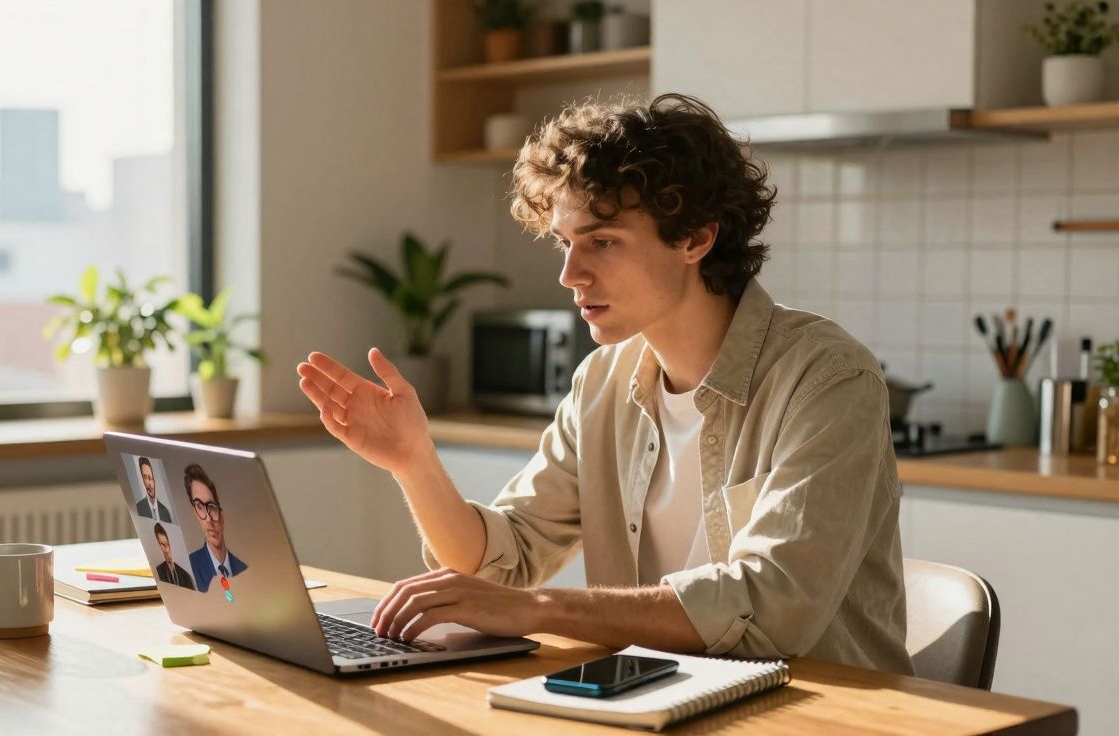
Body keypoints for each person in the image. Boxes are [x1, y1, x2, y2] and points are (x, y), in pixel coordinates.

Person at [296, 93, 914, 675]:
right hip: (660, 698)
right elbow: (504, 560)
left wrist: (542, 611)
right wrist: (415, 462)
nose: (570, 273)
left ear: (697, 238)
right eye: (565, 243)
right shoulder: (604, 381)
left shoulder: (827, 378)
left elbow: (774, 607)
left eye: (603, 242)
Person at [184, 463, 248, 592]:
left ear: (222, 516)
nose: (208, 519)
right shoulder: (188, 569)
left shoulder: (244, 570)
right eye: (200, 506)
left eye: (212, 507)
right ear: (195, 512)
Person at [152, 523, 195, 590]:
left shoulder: (186, 576)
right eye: (162, 545)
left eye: (168, 544)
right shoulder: (157, 573)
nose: (167, 550)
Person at [134, 456, 173, 523]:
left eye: (150, 477)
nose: (149, 483)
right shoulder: (138, 508)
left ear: (154, 480)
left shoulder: (165, 512)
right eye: (145, 477)